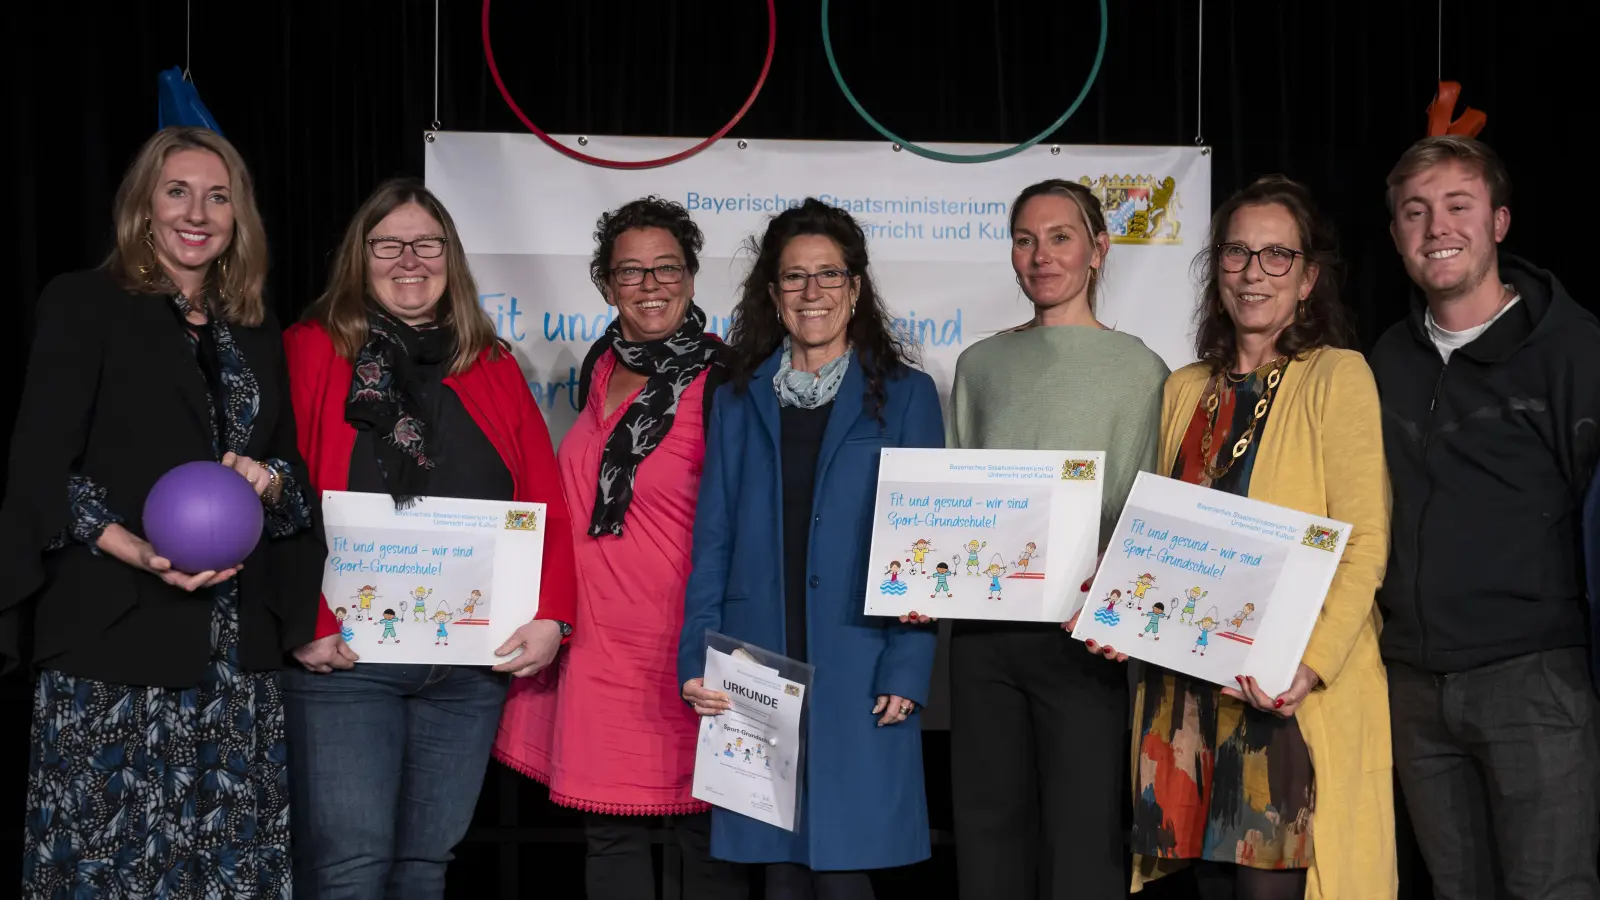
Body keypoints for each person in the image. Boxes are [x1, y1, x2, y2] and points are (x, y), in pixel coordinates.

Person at [2, 126, 321, 899]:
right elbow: (45, 465)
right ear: (144, 206)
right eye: (177, 190)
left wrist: (268, 480)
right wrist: (137, 550)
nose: (198, 212)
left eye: (219, 196)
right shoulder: (84, 303)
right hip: (113, 640)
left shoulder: (253, 328)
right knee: (112, 867)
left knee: (228, 868)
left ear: (238, 217)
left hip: (233, 656)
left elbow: (290, 481)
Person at [1097, 176, 1394, 899]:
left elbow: (1364, 542)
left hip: (1283, 694)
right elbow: (1159, 537)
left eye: (1275, 256)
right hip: (1187, 696)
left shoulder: (1338, 376)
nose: (1253, 272)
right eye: (1236, 252)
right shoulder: (1182, 387)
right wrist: (1119, 611)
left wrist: (1312, 665)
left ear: (1308, 279)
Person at [280, 178, 577, 897]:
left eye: (427, 244)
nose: (409, 260)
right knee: (350, 868)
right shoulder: (311, 349)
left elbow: (544, 499)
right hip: (347, 661)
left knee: (425, 867)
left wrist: (552, 615)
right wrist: (303, 625)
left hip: (469, 669)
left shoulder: (492, 364)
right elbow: (279, 496)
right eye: (389, 244)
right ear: (361, 256)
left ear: (451, 258)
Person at [678, 198, 943, 899]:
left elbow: (926, 544)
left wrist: (908, 666)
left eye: (829, 275)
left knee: (846, 874)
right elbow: (713, 540)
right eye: (794, 278)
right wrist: (694, 659)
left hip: (860, 660)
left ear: (856, 288)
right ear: (772, 292)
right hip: (754, 660)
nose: (812, 292)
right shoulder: (735, 396)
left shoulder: (909, 397)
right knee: (781, 877)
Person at [917, 178, 1168, 899]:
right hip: (984, 638)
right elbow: (958, 499)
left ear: (1098, 249)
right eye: (1025, 239)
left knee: (1082, 843)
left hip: (1082, 637)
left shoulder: (1143, 371)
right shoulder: (980, 364)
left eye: (1060, 237)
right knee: (988, 834)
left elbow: (1140, 505)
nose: (1041, 255)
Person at [494, 197, 745, 900]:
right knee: (609, 838)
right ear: (606, 285)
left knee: (707, 839)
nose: (650, 285)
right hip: (597, 645)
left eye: (666, 268)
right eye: (630, 271)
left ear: (692, 278)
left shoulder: (730, 380)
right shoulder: (601, 365)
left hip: (687, 641)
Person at [1372, 136, 1600, 899]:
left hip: (1532, 681)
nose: (1437, 226)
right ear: (1398, 235)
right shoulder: (1382, 363)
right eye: (1415, 211)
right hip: (1412, 687)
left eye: (1458, 206)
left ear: (1499, 222)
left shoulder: (1572, 350)